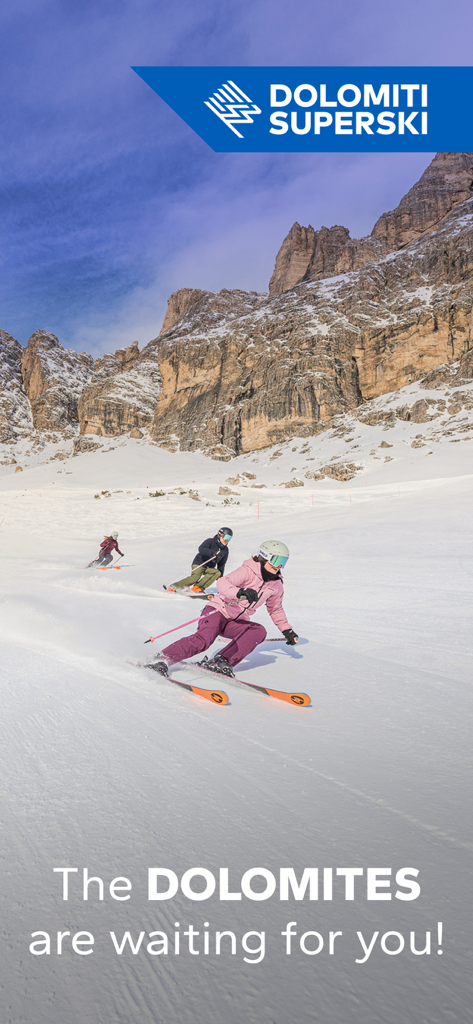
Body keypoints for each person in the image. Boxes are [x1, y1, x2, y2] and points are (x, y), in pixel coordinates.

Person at [152, 540, 299, 678]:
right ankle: (162, 658)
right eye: (277, 560)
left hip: (235, 622)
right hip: (217, 611)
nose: (279, 566)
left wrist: (287, 630)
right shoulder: (248, 571)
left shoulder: (276, 585)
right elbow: (223, 582)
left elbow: (275, 609)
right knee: (204, 640)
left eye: (283, 562)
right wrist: (239, 593)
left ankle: (221, 661)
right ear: (265, 557)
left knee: (258, 631)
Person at [167, 527, 233, 594]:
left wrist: (220, 577)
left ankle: (197, 588)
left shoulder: (225, 550)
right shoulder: (210, 541)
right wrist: (212, 553)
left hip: (209, 567)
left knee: (217, 573)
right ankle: (174, 587)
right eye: (226, 537)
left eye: (229, 538)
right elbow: (201, 549)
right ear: (220, 535)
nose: (227, 540)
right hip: (200, 563)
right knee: (195, 577)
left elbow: (222, 563)